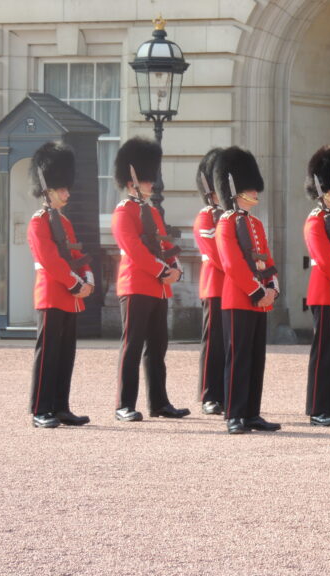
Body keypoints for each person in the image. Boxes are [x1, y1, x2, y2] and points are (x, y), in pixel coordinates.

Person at [112, 137, 190, 422]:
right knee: (132, 346)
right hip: (136, 285)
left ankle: (159, 402)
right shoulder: (123, 211)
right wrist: (162, 271)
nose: (151, 184)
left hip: (159, 289)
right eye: (147, 179)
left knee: (158, 347)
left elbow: (164, 244)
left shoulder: (152, 211)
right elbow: (133, 249)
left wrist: (176, 268)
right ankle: (124, 404)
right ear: (133, 179)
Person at [214, 146, 281, 435]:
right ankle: (234, 413)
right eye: (250, 189)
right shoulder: (226, 222)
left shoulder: (255, 223)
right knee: (238, 357)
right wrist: (257, 291)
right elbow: (232, 263)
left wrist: (272, 287)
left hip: (260, 299)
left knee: (256, 358)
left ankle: (252, 412)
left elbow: (265, 257)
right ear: (235, 191)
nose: (255, 193)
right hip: (239, 298)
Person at [27, 142, 93, 428]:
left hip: (71, 296)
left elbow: (75, 253)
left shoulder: (63, 222)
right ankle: (41, 408)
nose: (67, 192)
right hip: (53, 294)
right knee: (48, 354)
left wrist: (87, 276)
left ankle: (60, 406)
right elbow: (50, 259)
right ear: (48, 189)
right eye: (61, 188)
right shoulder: (38, 221)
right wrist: (75, 282)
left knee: (66, 354)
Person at [303, 144, 330, 427]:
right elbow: (326, 260)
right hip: (325, 294)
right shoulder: (316, 220)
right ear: (322, 189)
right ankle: (318, 407)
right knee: (324, 353)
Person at [193, 148, 225, 415]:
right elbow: (215, 254)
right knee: (213, 342)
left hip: (235, 288)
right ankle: (208, 394)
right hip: (215, 285)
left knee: (228, 343)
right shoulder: (207, 216)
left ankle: (224, 390)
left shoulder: (229, 217)